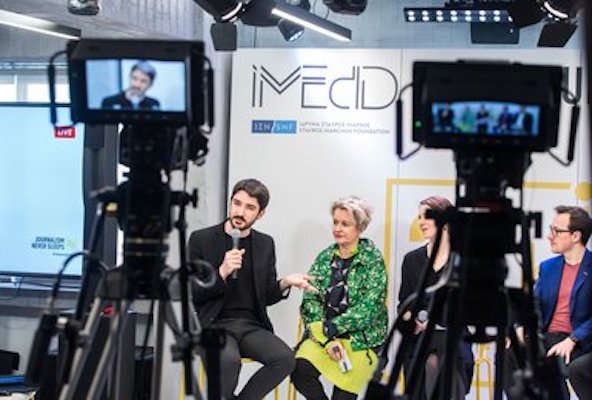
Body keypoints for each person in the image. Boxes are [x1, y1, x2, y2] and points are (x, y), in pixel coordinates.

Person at [188, 178, 316, 400]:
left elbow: (267, 295)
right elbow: (192, 292)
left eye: (249, 207)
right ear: (230, 202)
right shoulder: (202, 239)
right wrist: (221, 272)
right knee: (228, 361)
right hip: (214, 324)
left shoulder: (265, 243)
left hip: (251, 326)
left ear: (260, 214)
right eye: (237, 203)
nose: (240, 212)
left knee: (285, 359)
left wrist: (285, 282)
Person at [291, 196, 388, 400]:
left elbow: (369, 308)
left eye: (345, 224)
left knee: (343, 395)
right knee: (299, 370)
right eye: (335, 222)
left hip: (360, 339)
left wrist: (334, 327)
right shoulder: (325, 257)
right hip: (325, 335)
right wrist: (327, 338)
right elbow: (311, 299)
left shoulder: (372, 259)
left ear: (360, 228)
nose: (338, 228)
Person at [505, 205, 592, 400]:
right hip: (547, 337)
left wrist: (573, 339)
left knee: (567, 365)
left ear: (576, 236)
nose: (550, 236)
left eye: (556, 231)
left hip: (581, 342)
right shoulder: (548, 267)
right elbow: (535, 303)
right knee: (511, 353)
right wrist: (522, 326)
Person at [398, 196, 473, 400]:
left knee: (437, 359)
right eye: (419, 217)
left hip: (452, 337)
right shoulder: (412, 260)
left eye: (427, 216)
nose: (421, 222)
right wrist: (410, 318)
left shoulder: (463, 261)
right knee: (427, 359)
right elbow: (404, 302)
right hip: (419, 337)